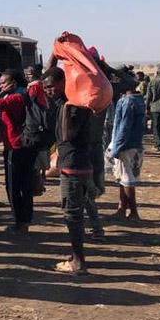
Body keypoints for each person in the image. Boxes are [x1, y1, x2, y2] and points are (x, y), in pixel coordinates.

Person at [0, 68, 35, 234]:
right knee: (25, 186)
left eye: (3, 83)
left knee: (13, 187)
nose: (1, 86)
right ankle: (25, 220)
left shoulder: (15, 98)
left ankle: (20, 222)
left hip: (15, 147)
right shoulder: (25, 95)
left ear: (13, 83)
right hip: (25, 146)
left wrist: (0, 93)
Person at [55, 98, 101, 275]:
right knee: (80, 211)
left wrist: (66, 110)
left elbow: (69, 135)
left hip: (74, 168)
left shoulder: (75, 108)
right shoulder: (82, 106)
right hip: (82, 166)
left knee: (73, 215)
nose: (48, 90)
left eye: (50, 86)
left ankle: (78, 262)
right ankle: (77, 258)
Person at [109, 78, 146, 221]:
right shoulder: (138, 99)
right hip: (135, 144)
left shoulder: (127, 102)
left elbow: (124, 128)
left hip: (126, 146)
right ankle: (122, 208)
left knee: (127, 180)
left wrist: (116, 148)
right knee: (124, 180)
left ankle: (134, 212)